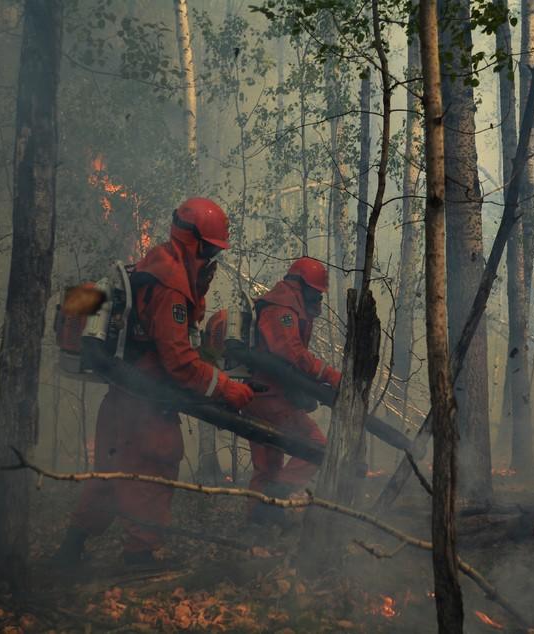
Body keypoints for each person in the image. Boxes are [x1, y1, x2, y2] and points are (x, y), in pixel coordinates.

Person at [53, 198, 254, 566]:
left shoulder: (159, 264)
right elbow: (179, 361)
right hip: (145, 407)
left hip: (122, 398)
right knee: (156, 469)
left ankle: (70, 548)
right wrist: (226, 388)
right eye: (210, 250)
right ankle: (139, 555)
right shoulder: (172, 285)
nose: (213, 258)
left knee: (110, 474)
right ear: (193, 241)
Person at [241, 257, 340, 525]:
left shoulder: (284, 304)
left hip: (263, 395)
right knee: (317, 446)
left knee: (267, 466)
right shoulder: (282, 307)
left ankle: (257, 524)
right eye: (315, 292)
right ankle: (271, 503)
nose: (318, 298)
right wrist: (330, 375)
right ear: (300, 286)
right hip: (271, 399)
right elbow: (291, 352)